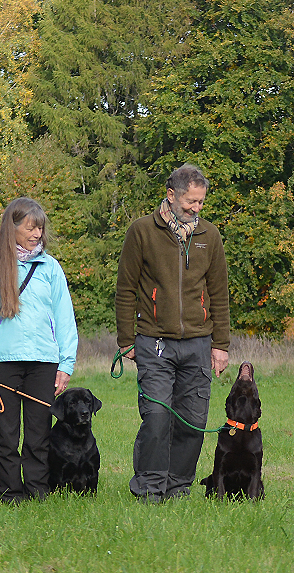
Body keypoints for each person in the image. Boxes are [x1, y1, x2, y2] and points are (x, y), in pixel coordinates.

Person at [115, 163, 231, 503]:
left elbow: (219, 292)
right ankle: (149, 488)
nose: (195, 208)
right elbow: (125, 289)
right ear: (171, 195)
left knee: (192, 422)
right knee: (157, 418)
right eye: (189, 202)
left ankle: (178, 488)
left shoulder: (210, 236)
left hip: (199, 343)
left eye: (200, 202)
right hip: (154, 342)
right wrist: (126, 341)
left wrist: (220, 345)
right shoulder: (141, 232)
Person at [0, 197, 78, 502]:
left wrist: (66, 364)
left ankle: (38, 492)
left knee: (39, 434)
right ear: (11, 227)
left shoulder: (50, 267)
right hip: (1, 363)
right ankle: (10, 493)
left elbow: (65, 317)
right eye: (30, 227)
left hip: (44, 363)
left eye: (40, 228)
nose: (37, 234)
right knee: (4, 434)